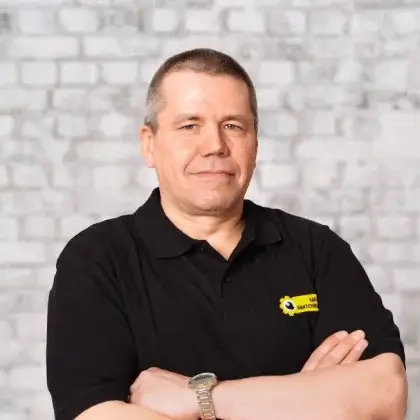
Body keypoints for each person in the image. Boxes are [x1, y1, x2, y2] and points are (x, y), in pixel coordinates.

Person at [46, 48, 407, 420]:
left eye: (233, 126)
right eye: (190, 126)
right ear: (149, 144)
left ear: (255, 144)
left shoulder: (316, 249)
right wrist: (303, 400)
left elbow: (386, 394)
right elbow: (93, 414)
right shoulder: (97, 260)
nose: (215, 146)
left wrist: (201, 398)